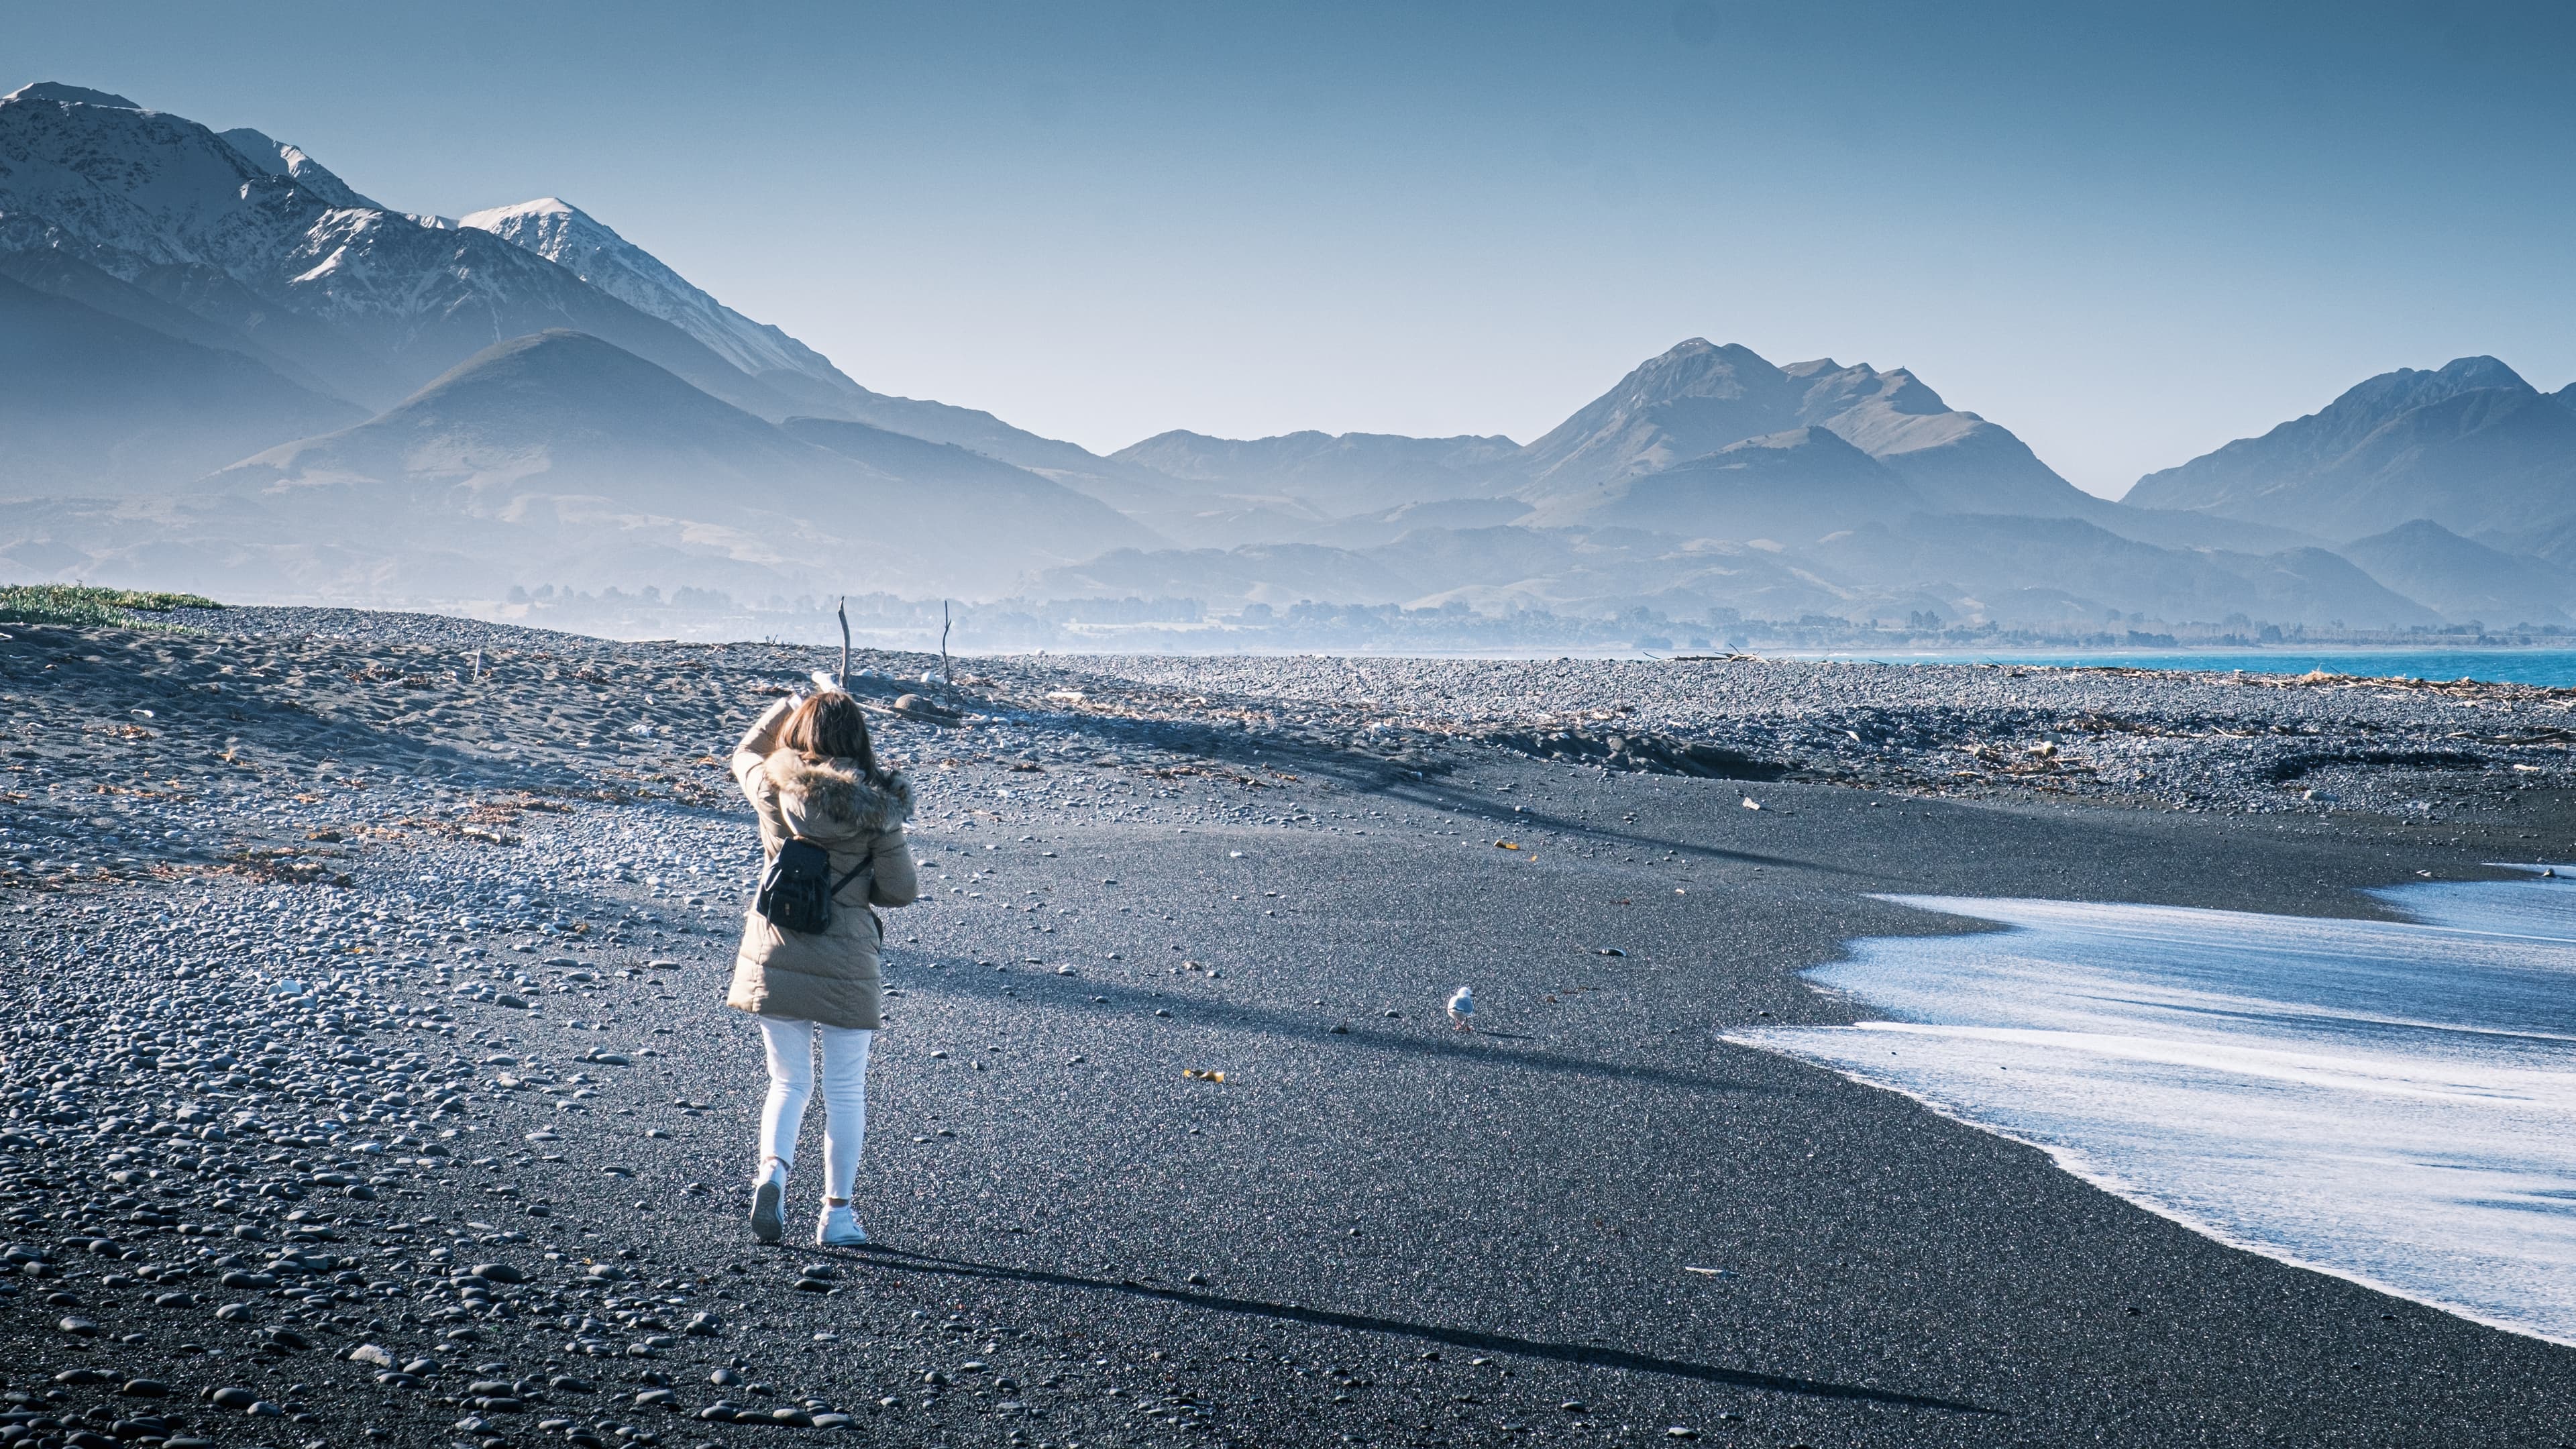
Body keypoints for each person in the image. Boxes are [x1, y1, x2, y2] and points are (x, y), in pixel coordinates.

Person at [725, 689, 919, 1246]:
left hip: (777, 951)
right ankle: (836, 1215)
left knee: (786, 1081)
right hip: (847, 960)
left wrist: (784, 707)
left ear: (801, 733)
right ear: (858, 741)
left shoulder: (770, 786)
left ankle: (773, 1175)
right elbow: (901, 891)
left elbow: (743, 751)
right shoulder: (878, 809)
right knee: (845, 1092)